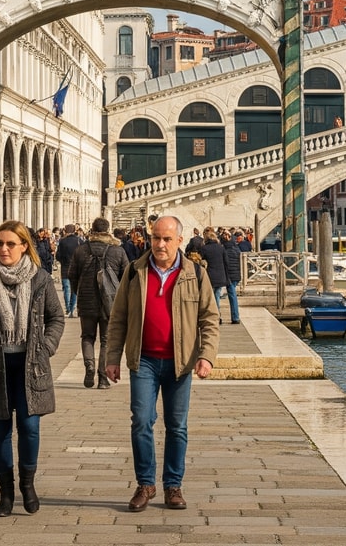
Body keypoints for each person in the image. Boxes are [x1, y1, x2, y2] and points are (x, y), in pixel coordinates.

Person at [104, 215, 219, 512]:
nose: (160, 244)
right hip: (143, 360)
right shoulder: (134, 271)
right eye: (156, 237)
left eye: (167, 239)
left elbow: (210, 317)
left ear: (179, 240)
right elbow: (118, 319)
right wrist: (112, 358)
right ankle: (145, 483)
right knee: (141, 421)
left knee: (176, 426)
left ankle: (173, 485)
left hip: (180, 363)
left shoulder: (195, 273)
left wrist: (206, 354)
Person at [0, 220, 65, 516]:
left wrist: (46, 346)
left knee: (30, 427)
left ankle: (28, 484)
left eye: (10, 244)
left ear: (23, 247)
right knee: (0, 430)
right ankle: (5, 493)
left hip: (30, 364)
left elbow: (56, 317)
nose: (3, 249)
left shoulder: (40, 278)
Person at [71, 218, 128, 388]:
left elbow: (72, 275)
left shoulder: (81, 250)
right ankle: (103, 378)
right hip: (110, 302)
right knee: (106, 339)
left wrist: (79, 292)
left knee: (87, 336)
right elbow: (126, 276)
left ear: (93, 230)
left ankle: (89, 366)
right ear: (108, 229)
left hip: (86, 300)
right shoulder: (117, 251)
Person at [55, 224, 82, 316]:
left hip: (65, 267)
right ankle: (72, 307)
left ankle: (67, 308)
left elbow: (58, 255)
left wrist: (63, 260)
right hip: (76, 267)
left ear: (65, 231)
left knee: (66, 288)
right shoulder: (79, 240)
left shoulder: (62, 241)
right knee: (74, 289)